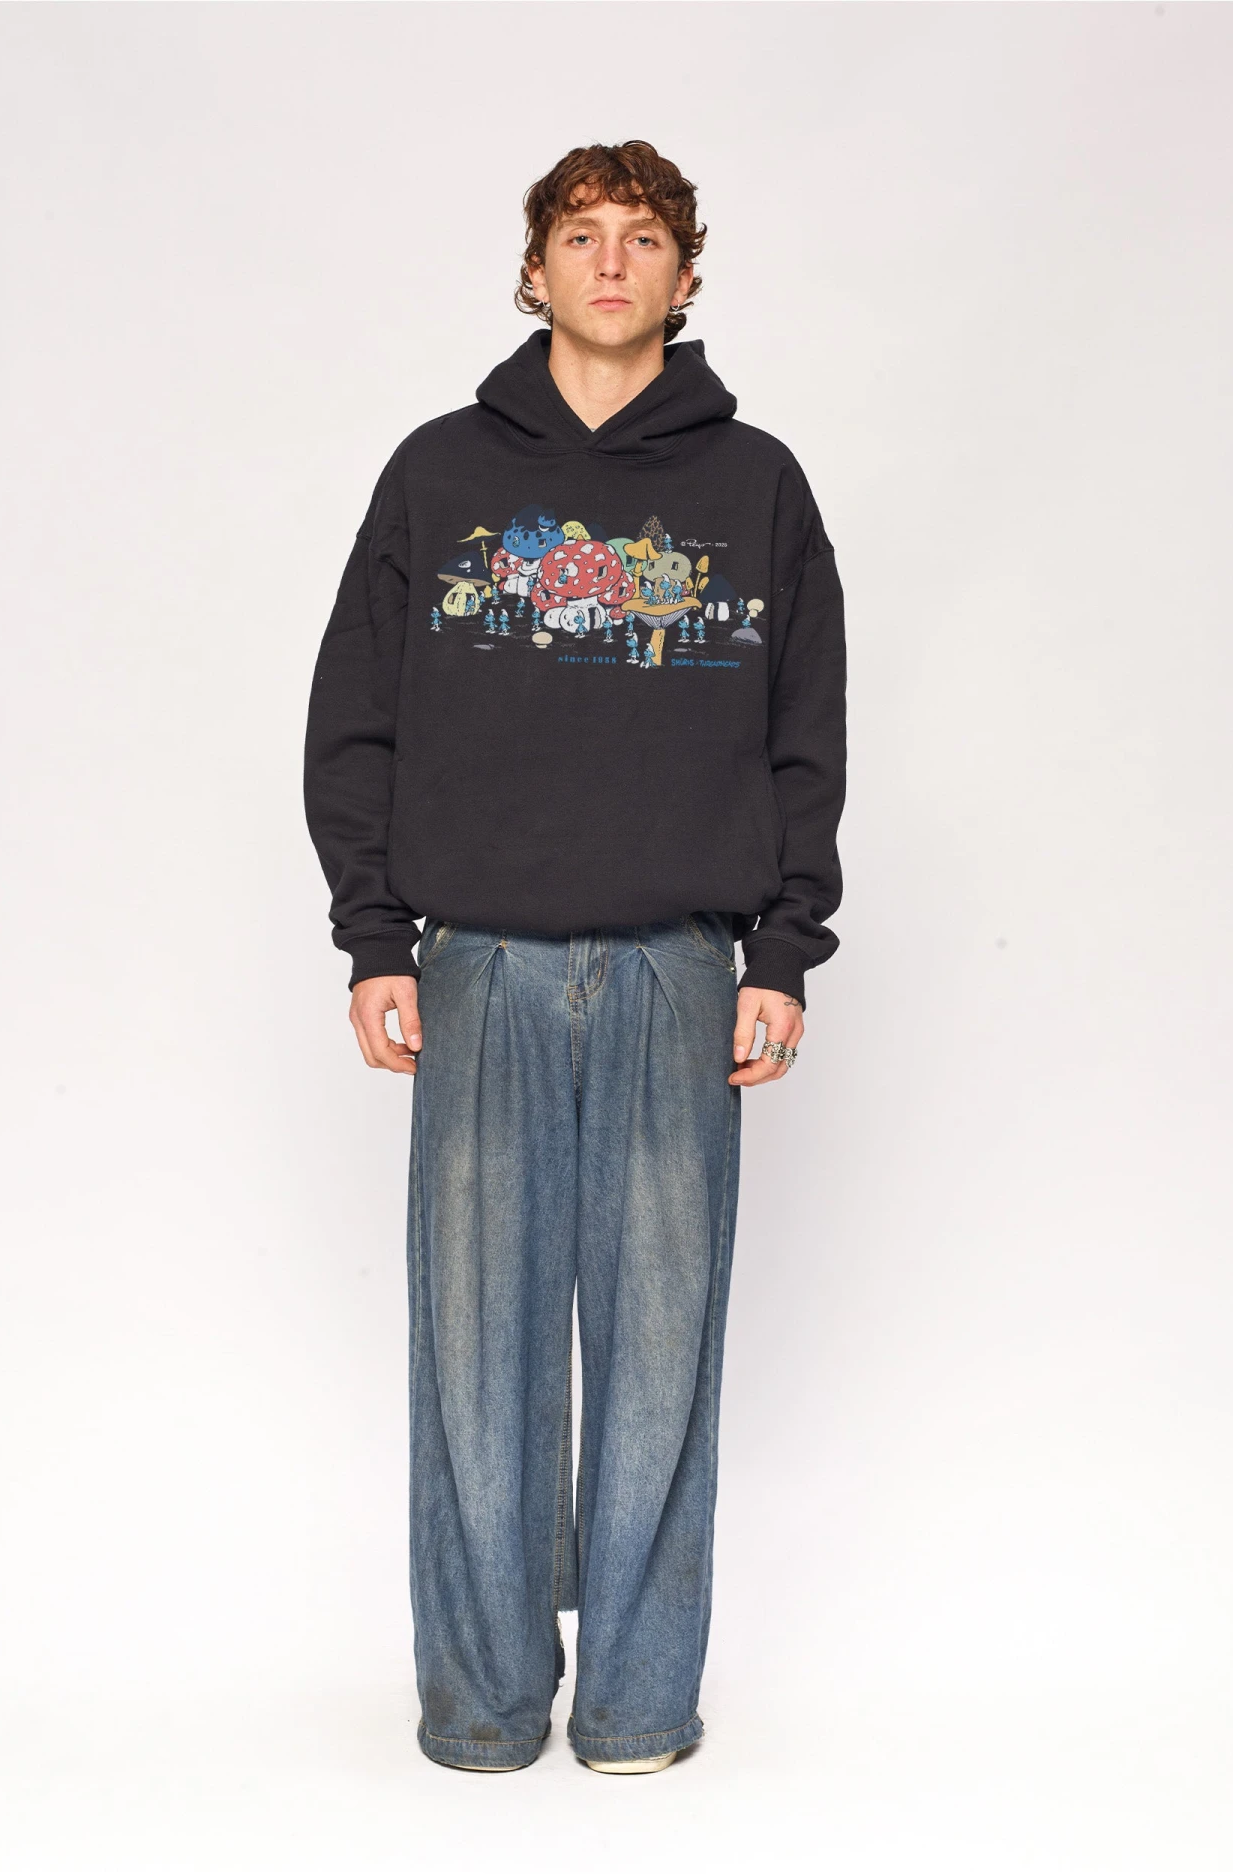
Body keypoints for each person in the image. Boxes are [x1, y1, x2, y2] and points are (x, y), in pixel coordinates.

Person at [302, 140, 847, 1775]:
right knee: (476, 1351)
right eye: (581, 234)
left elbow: (805, 736)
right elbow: (357, 717)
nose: (612, 261)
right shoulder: (437, 474)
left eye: (645, 237)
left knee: (663, 1348)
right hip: (481, 965)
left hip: (682, 969)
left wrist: (783, 951)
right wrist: (376, 934)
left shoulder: (757, 487)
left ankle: (636, 1702)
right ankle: (479, 1703)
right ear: (534, 269)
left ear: (686, 274)